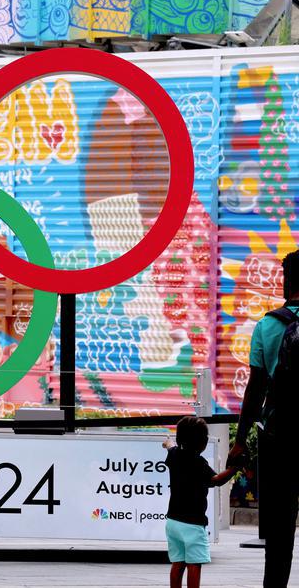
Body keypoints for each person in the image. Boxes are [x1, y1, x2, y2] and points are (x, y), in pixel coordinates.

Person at [229, 250, 299, 588]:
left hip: (279, 438)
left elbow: (255, 392)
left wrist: (240, 442)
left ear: (288, 281)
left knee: (280, 531)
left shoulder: (268, 325)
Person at [164, 417, 236, 588]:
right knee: (194, 564)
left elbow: (170, 446)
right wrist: (234, 469)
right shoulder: (199, 462)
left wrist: (168, 442)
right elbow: (216, 480)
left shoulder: (174, 454)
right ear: (202, 443)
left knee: (178, 563)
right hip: (193, 523)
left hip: (173, 521)